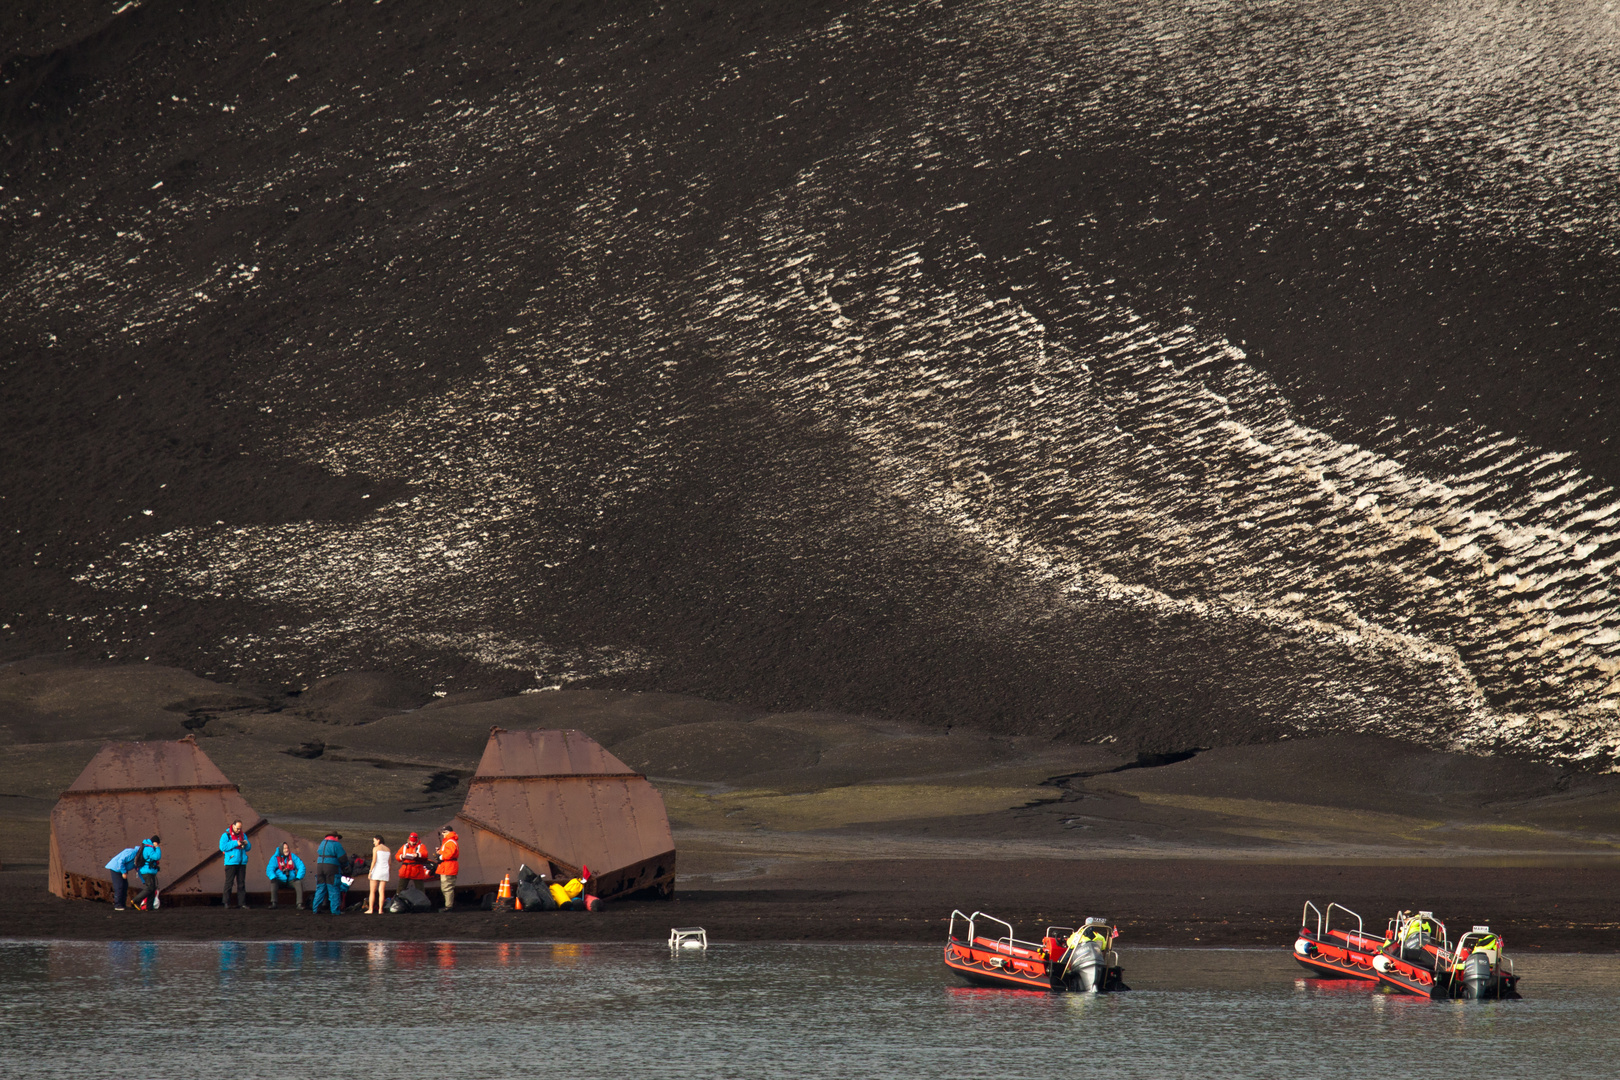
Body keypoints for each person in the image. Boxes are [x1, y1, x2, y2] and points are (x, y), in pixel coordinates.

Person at [219, 820, 252, 908]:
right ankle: (226, 902)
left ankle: (242, 903)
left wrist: (246, 843)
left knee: (241, 883)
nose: (238, 830)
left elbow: (248, 848)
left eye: (240, 828)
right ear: (233, 826)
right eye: (237, 828)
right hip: (231, 862)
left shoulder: (243, 835)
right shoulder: (226, 835)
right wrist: (235, 843)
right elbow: (222, 847)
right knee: (229, 883)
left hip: (241, 862)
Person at [313, 832, 348, 914]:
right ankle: (335, 911)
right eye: (338, 837)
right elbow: (343, 858)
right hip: (332, 868)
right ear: (335, 837)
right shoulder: (336, 844)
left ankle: (315, 909)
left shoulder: (322, 843)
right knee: (333, 888)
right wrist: (346, 865)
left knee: (320, 888)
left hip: (319, 866)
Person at [267, 842, 307, 910]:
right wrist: (273, 877)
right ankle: (274, 903)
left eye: (287, 848)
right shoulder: (275, 858)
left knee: (298, 883)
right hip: (280, 880)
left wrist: (298, 877)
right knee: (273, 883)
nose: (286, 850)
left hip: (291, 880)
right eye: (284, 848)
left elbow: (301, 866)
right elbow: (270, 868)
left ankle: (299, 904)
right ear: (281, 849)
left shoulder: (293, 856)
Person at [104, 843, 141, 911]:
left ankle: (122, 904)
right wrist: (124, 872)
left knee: (125, 886)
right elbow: (120, 861)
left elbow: (138, 869)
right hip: (116, 869)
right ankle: (117, 905)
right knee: (119, 886)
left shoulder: (138, 857)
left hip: (121, 870)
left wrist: (144, 881)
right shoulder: (131, 852)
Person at [435, 826, 459, 912]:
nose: (442, 834)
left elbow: (450, 854)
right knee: (447, 887)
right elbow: (449, 853)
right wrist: (440, 852)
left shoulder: (450, 842)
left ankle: (449, 907)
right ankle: (449, 905)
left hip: (448, 867)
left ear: (448, 832)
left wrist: (440, 856)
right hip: (447, 866)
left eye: (444, 832)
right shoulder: (449, 841)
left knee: (447, 887)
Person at [365, 835, 391, 914]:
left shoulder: (376, 848)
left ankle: (371, 909)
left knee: (372, 891)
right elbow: (389, 863)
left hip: (377, 870)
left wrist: (370, 871)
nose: (374, 843)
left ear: (378, 840)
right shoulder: (388, 849)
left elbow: (374, 861)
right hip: (385, 871)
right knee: (381, 891)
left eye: (374, 841)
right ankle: (380, 910)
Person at [135, 835, 162, 910]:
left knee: (152, 889)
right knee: (150, 888)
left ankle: (149, 907)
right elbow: (157, 857)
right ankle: (135, 900)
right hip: (147, 871)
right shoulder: (149, 848)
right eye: (157, 843)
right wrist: (157, 848)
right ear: (155, 842)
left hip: (149, 871)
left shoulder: (147, 847)